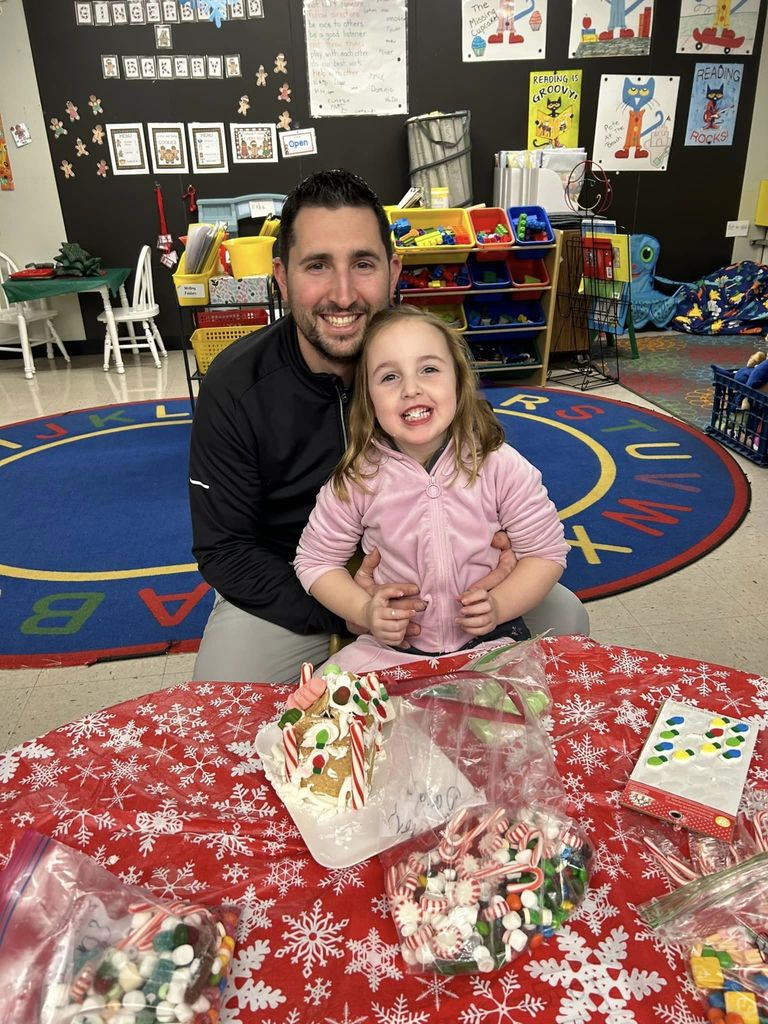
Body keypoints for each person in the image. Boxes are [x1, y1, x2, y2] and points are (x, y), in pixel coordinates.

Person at [189, 168, 588, 684]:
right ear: (282, 277)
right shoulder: (235, 385)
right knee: (223, 700)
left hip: (450, 583)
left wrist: (504, 557)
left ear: (394, 270)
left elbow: (491, 473)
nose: (343, 293)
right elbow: (226, 550)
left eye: (363, 263)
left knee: (568, 622)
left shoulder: (427, 354)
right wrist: (352, 610)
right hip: (297, 584)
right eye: (316, 266)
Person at [294, 305, 569, 673]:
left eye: (429, 369)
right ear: (369, 399)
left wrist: (500, 605)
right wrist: (364, 610)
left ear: (458, 380)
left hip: (490, 644)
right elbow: (315, 562)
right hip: (393, 649)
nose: (411, 389)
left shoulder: (501, 466)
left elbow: (546, 554)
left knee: (525, 711)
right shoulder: (357, 478)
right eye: (389, 377)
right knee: (327, 705)